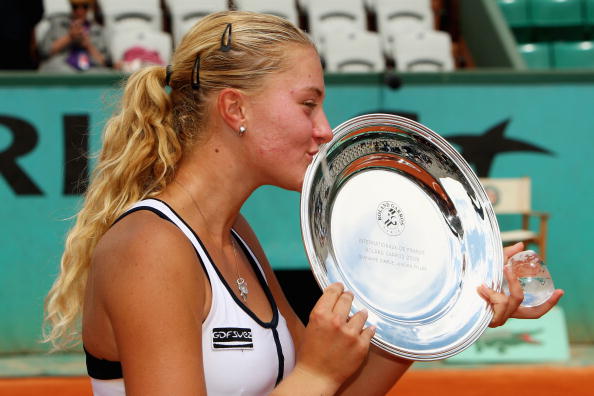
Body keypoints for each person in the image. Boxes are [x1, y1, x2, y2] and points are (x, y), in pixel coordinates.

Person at [43, 11, 563, 396]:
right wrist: (318, 371)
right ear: (235, 108)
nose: (325, 129)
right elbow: (316, 383)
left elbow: (333, 393)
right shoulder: (150, 248)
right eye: (308, 103)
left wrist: (443, 313)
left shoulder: (234, 234)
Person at [38, 0, 109, 72]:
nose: (79, 11)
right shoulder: (59, 24)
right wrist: (69, 37)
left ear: (89, 8)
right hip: (61, 72)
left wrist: (87, 44)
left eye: (84, 7)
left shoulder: (97, 30)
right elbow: (45, 52)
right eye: (75, 7)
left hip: (89, 73)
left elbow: (103, 62)